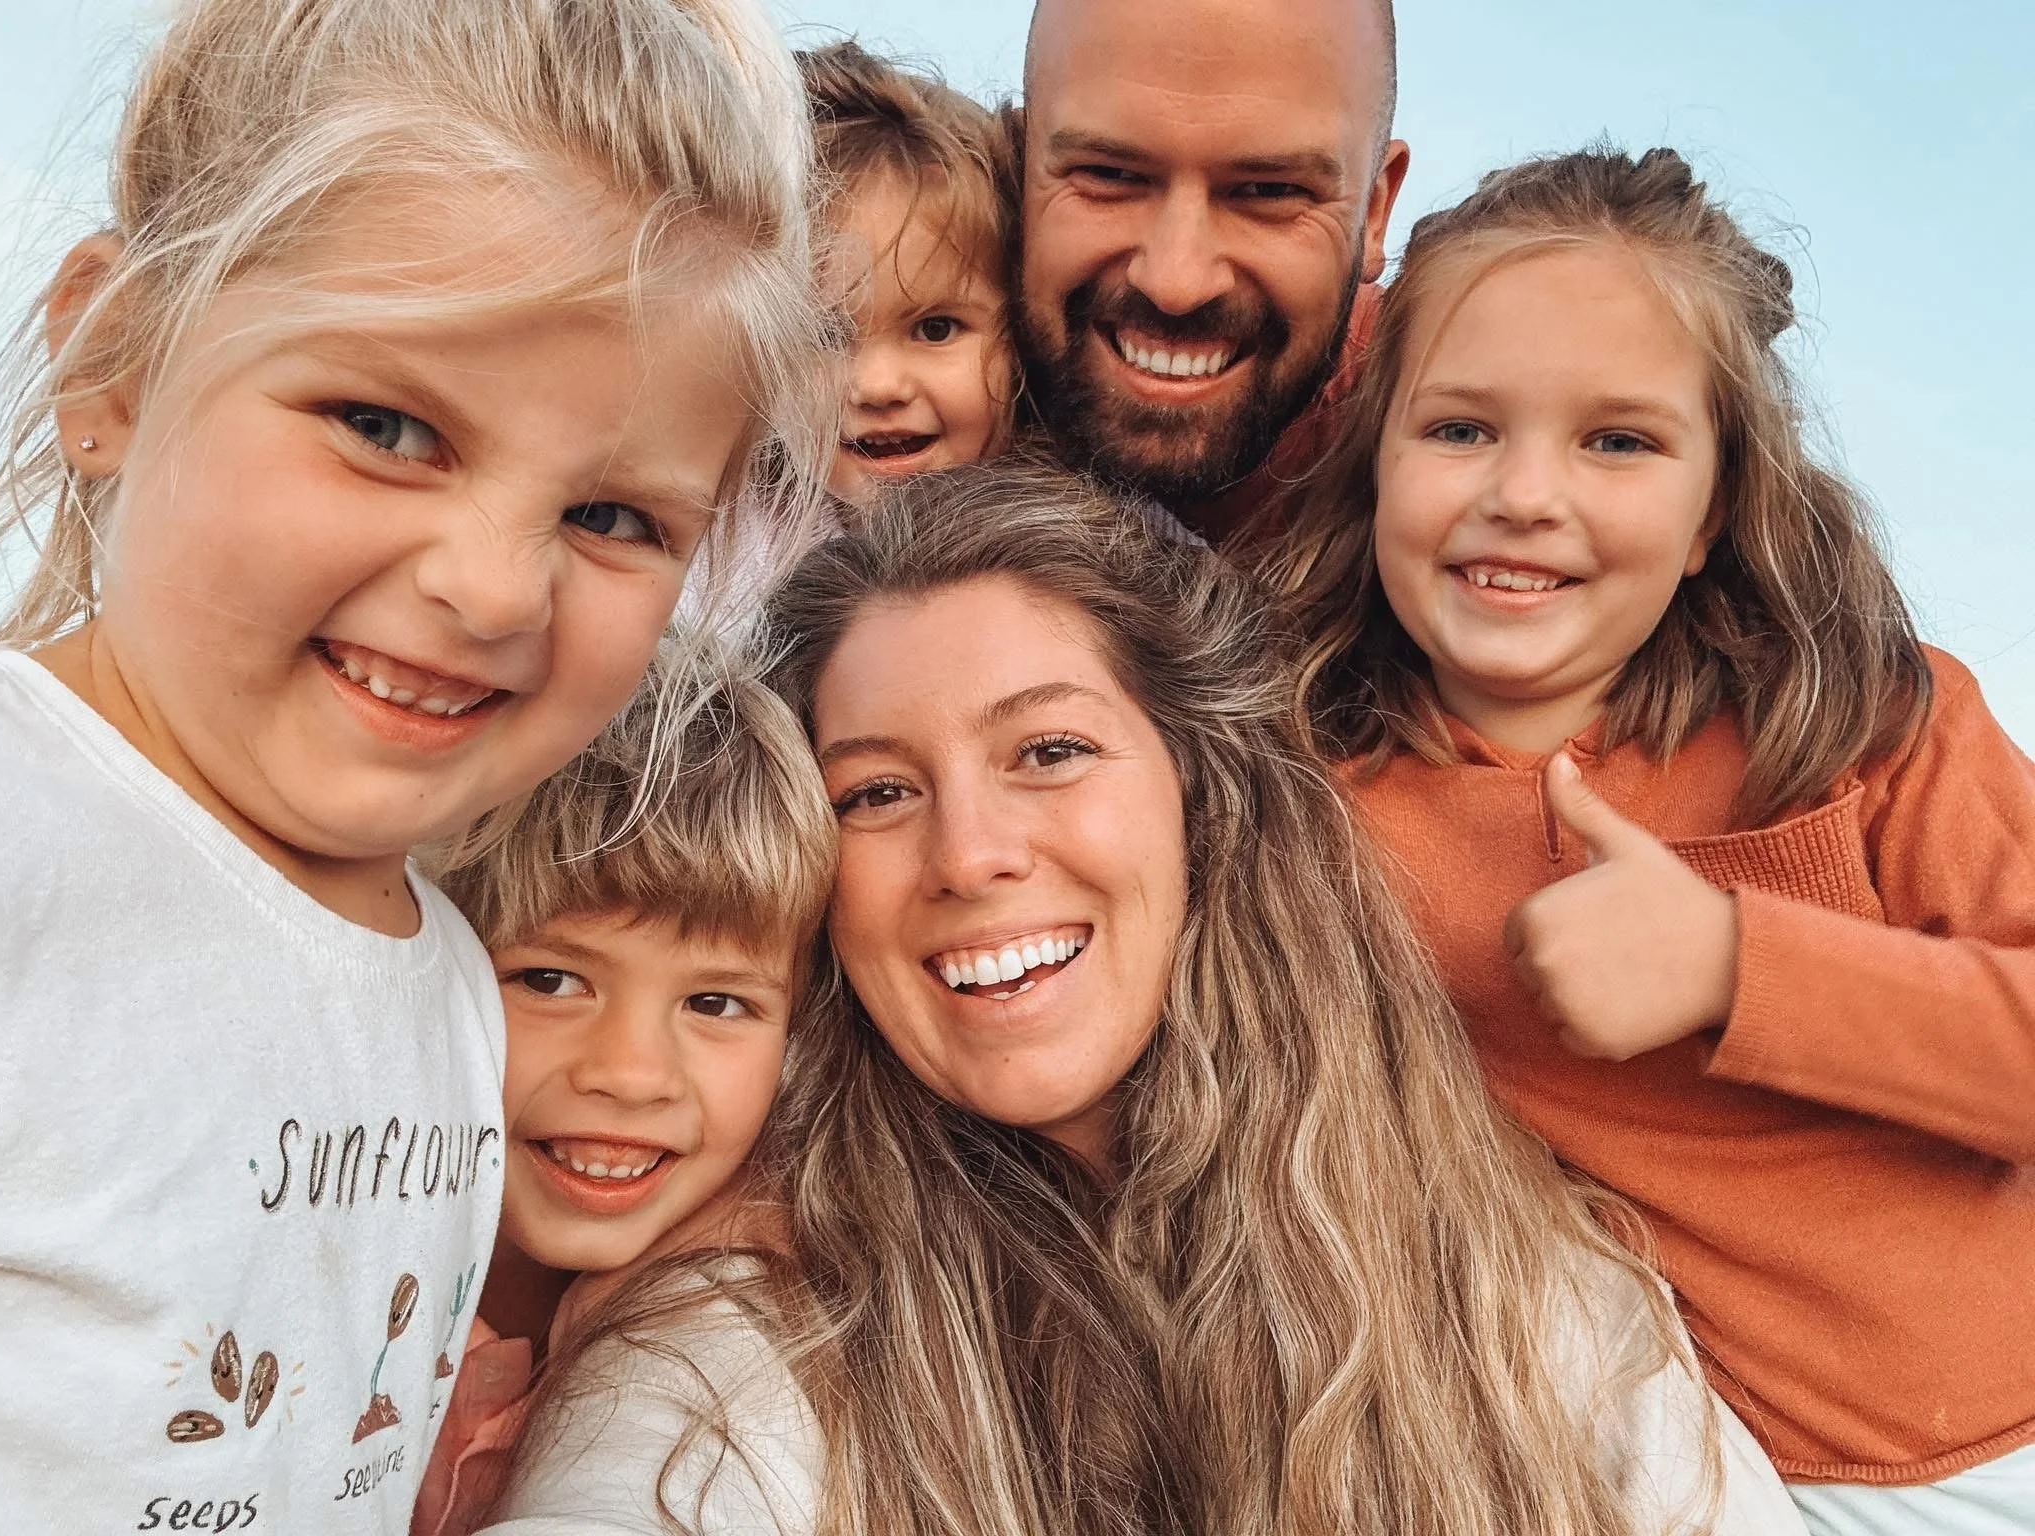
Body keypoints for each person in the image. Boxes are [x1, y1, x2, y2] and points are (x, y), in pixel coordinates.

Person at [0, 0, 829, 1527]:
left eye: (616, 519)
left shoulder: (453, 986)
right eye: (389, 425)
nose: (497, 589)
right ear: (114, 364)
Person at [667, 461, 1788, 1536]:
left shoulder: (1516, 1288)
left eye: (1048, 750)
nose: (967, 855)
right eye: (875, 791)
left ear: (1202, 796)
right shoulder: (752, 1329)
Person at [1260, 145, 2035, 1530]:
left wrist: (1740, 967)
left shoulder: (1862, 716)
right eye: (1459, 430)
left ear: (1711, 513)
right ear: (1372, 463)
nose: (1525, 493)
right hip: (1692, 1473)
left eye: (1617, 440)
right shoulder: (1311, 804)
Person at [409, 650, 836, 1535]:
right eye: (552, 981)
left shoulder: (770, 1294)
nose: (632, 1073)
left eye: (716, 1002)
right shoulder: (321, 1248)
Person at [1015, 0, 1407, 542]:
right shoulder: (894, 371)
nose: (1176, 283)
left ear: (1374, 212)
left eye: (1271, 191)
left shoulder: (1468, 425)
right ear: (1019, 161)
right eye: (1108, 173)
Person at [800, 41, 1018, 509]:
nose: (876, 388)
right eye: (823, 336)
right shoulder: (719, 549)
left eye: (935, 329)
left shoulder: (1104, 546)